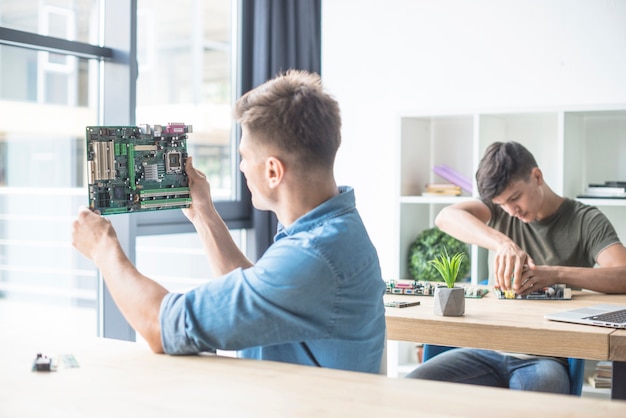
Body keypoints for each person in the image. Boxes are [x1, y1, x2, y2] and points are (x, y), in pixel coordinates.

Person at [72, 70, 386, 373]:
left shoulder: (312, 256)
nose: (241, 167)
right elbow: (257, 291)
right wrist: (203, 212)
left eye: (245, 157)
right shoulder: (335, 229)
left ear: (273, 172)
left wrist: (103, 248)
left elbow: (161, 326)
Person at [405, 141, 626, 392]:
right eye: (502, 204)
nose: (511, 211)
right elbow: (445, 217)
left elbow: (623, 275)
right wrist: (502, 243)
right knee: (411, 389)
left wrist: (554, 275)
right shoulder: (498, 212)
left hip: (546, 358)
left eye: (515, 198)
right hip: (485, 349)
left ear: (537, 176)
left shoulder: (586, 220)